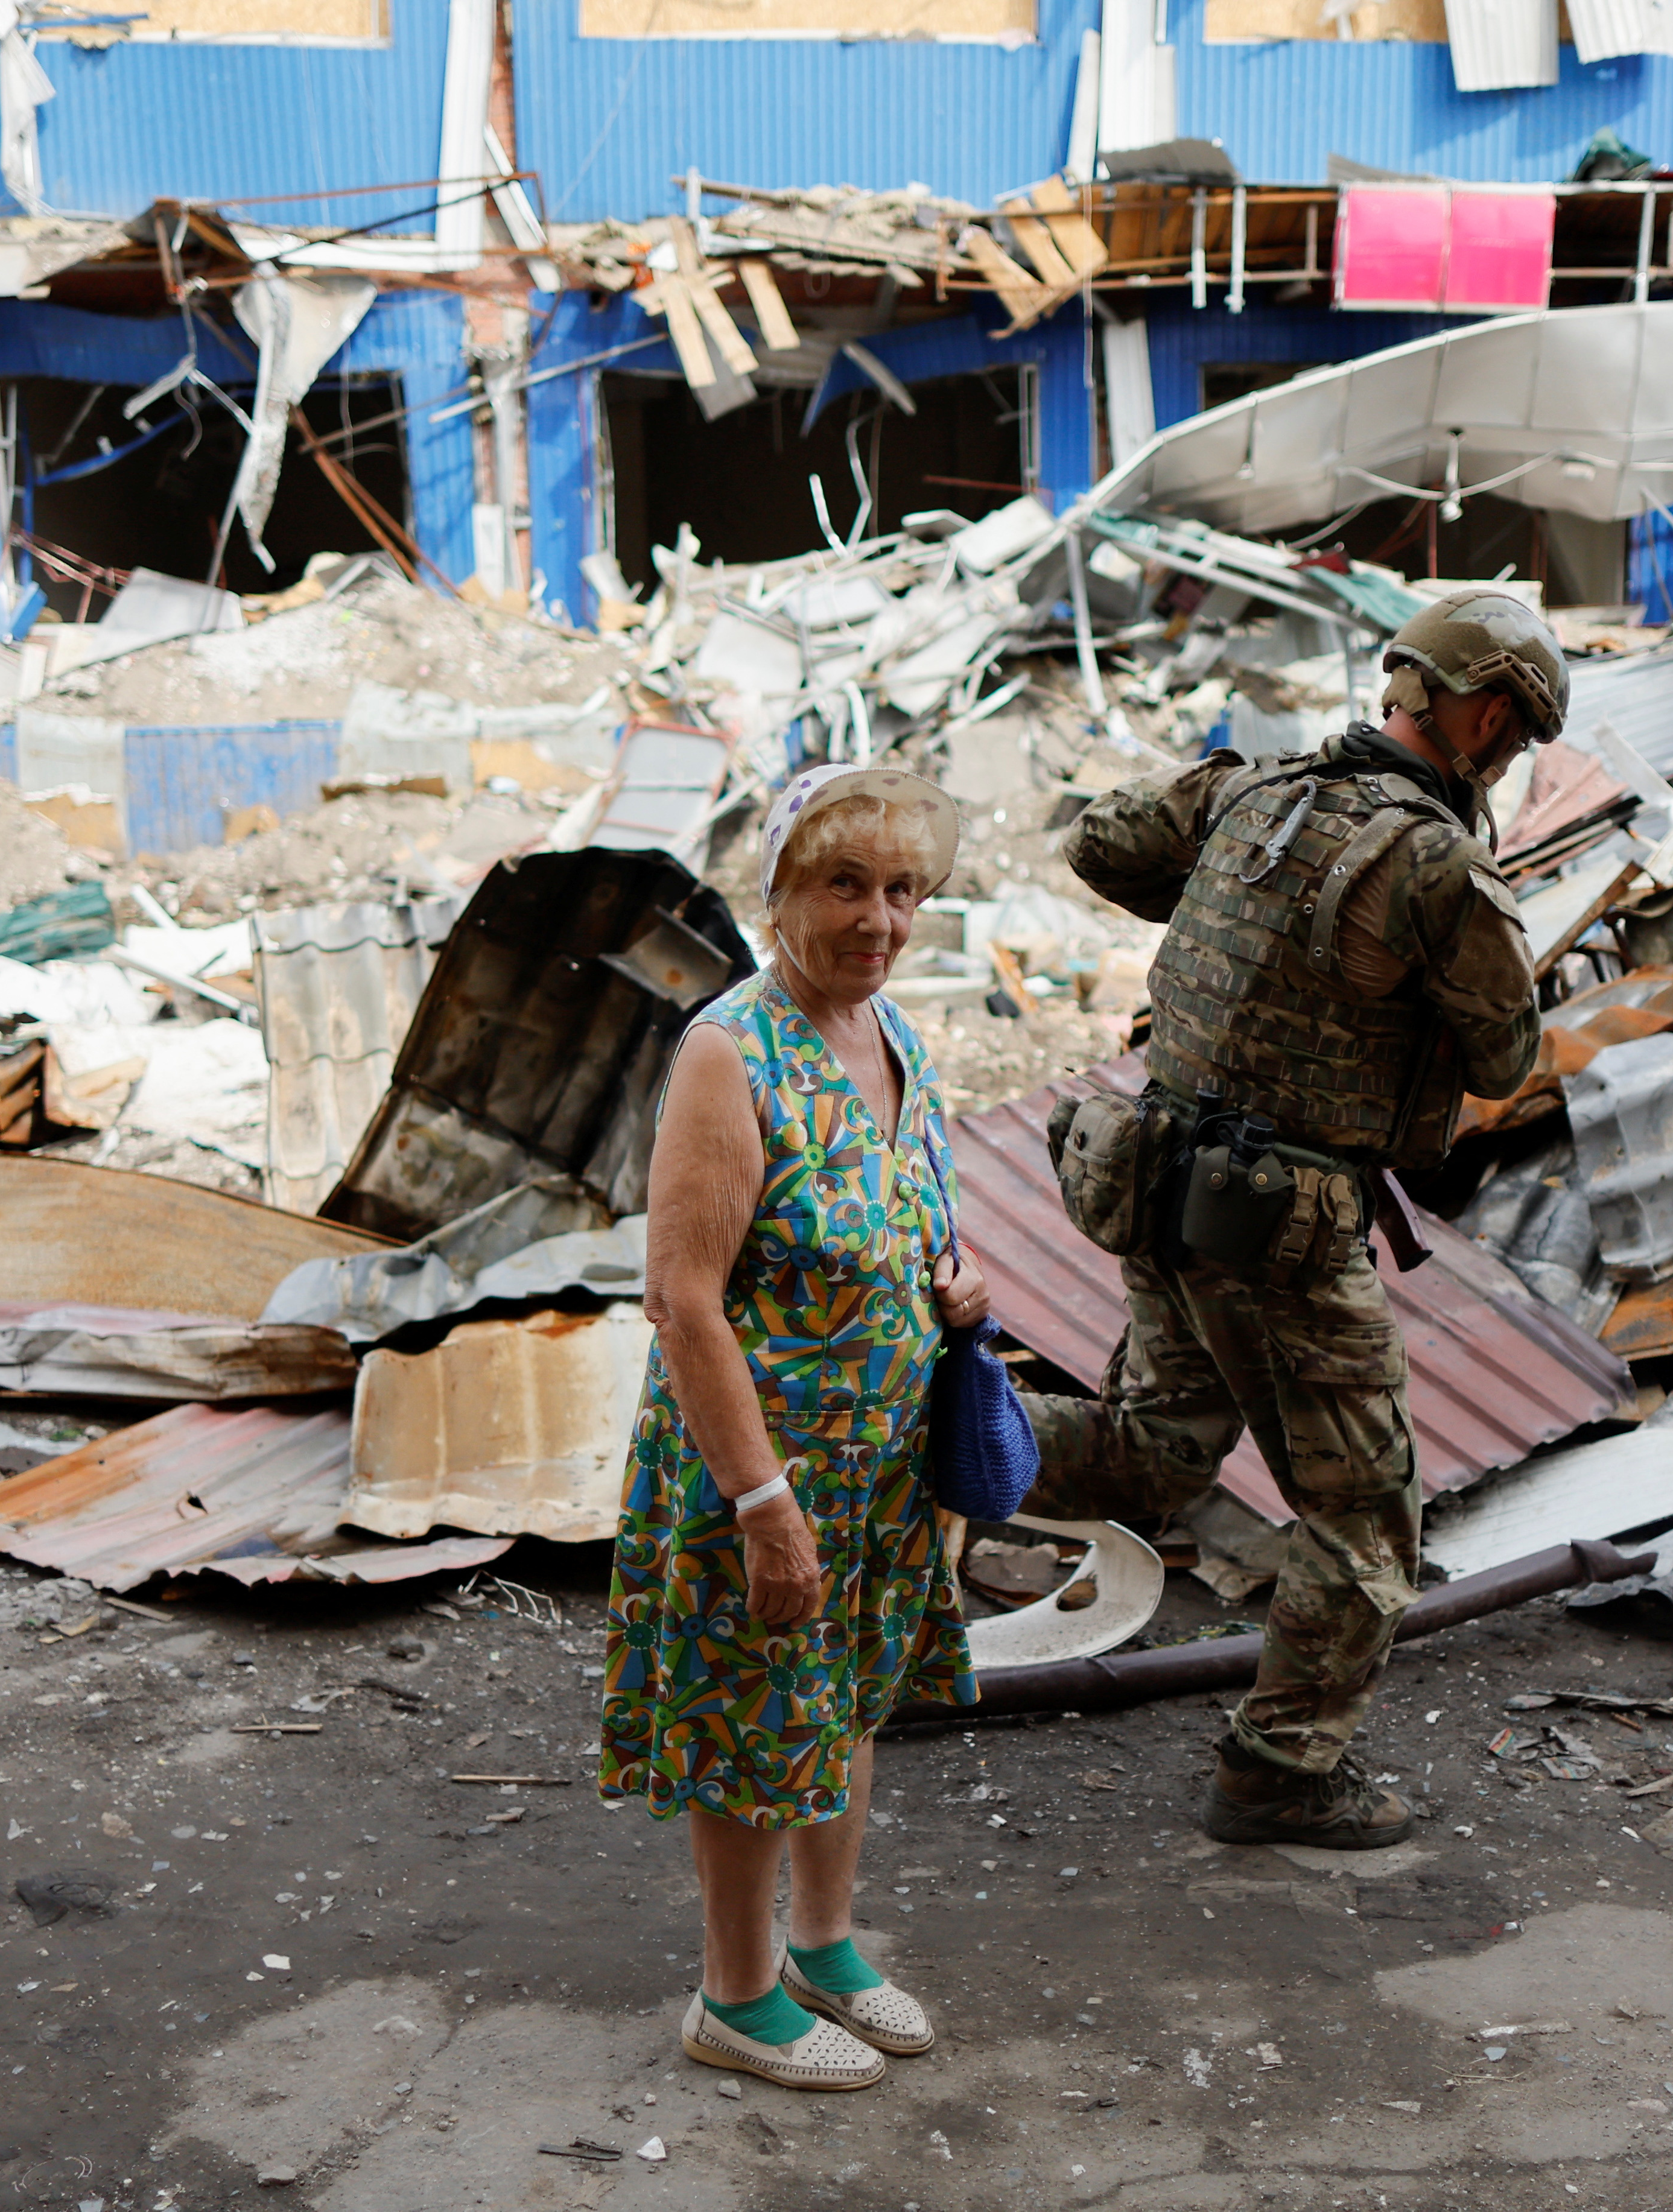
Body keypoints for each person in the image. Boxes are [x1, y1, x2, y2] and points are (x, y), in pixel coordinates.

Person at [1018, 589, 1564, 1850]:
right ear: (1484, 713)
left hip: (1154, 1180)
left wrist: (1240, 901)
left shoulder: (1251, 795)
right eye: (1516, 734)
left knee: (1156, 1448)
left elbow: (1101, 844)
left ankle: (904, 1439)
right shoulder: (1433, 863)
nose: (1511, 756)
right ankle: (1277, 1768)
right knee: (1366, 1516)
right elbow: (1500, 1057)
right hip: (1274, 1225)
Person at [595, 764, 994, 2093]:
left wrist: (957, 1286)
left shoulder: (897, 1041)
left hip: (879, 1474)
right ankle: (734, 1989)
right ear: (776, 892)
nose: (877, 918)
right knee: (752, 1719)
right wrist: (762, 1505)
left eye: (901, 890)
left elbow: (898, 1212)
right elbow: (683, 1299)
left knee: (848, 1704)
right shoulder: (730, 1051)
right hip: (757, 1469)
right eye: (844, 884)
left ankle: (823, 1945)